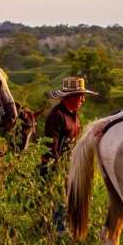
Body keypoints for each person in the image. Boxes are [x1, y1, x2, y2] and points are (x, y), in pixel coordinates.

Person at [40, 77, 97, 232]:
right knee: (60, 204)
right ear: (69, 97)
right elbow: (51, 148)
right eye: (80, 96)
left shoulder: (75, 115)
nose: (83, 100)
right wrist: (61, 171)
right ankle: (58, 236)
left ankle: (68, 232)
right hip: (55, 168)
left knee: (72, 203)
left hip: (69, 166)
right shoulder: (56, 116)